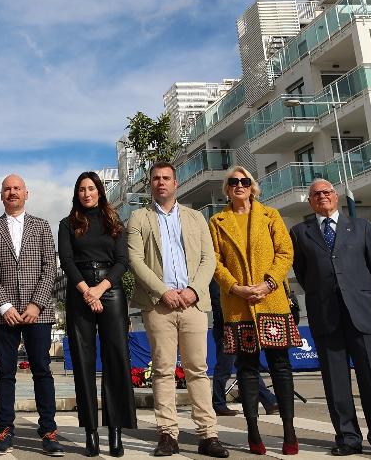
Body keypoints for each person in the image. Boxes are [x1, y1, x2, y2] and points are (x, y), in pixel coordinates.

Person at [126, 162, 228, 458]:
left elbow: (209, 258)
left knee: (198, 370)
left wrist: (194, 290)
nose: (161, 182)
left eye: (166, 178)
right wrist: (163, 291)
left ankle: (208, 435)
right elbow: (135, 260)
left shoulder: (195, 217)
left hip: (193, 304)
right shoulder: (139, 217)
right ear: (150, 184)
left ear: (175, 183)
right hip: (158, 305)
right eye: (156, 178)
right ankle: (167, 434)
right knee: (163, 370)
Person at [290, 179, 371, 458]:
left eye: (326, 192)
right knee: (335, 382)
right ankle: (348, 438)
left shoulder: (361, 227)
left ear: (336, 196)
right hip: (325, 315)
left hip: (361, 312)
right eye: (316, 194)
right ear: (310, 201)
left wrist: (357, 293)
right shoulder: (300, 232)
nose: (322, 197)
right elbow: (302, 273)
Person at [209, 166, 299, 457]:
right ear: (227, 188)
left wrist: (269, 283)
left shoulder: (270, 215)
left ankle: (289, 431)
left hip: (272, 301)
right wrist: (235, 287)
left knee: (280, 366)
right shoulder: (217, 221)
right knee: (246, 368)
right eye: (233, 181)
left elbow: (285, 251)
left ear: (252, 186)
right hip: (238, 305)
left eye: (244, 181)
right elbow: (214, 262)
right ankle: (253, 431)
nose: (239, 185)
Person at [0, 174, 63, 457]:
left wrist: (37, 304)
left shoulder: (42, 225)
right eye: (7, 189)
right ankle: (5, 430)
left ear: (27, 193)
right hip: (5, 315)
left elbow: (50, 267)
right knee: (5, 373)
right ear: (1, 195)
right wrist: (4, 306)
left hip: (38, 313)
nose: (12, 192)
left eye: (17, 188)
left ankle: (48, 431)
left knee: (42, 370)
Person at [59, 171, 137, 458]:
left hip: (110, 289)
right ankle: (90, 432)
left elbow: (122, 261)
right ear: (76, 193)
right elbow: (66, 261)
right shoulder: (67, 224)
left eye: (91, 188)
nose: (86, 193)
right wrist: (87, 292)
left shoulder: (114, 222)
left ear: (100, 191)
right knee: (83, 361)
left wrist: (100, 289)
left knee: (116, 359)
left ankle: (115, 431)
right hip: (79, 291)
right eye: (81, 189)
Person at [209, 280, 277, 418]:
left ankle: (269, 401)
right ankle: (218, 404)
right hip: (225, 326)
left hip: (240, 323)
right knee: (225, 368)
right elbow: (218, 305)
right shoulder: (218, 279)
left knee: (248, 365)